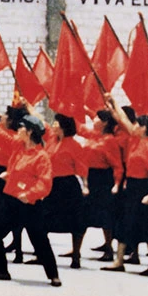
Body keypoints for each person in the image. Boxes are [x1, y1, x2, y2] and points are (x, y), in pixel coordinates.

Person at [0, 111, 61, 286]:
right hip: (11, 200)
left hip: (29, 204)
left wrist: (29, 194)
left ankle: (53, 275)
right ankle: (1, 271)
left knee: (39, 239)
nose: (18, 130)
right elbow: (0, 135)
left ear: (29, 132)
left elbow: (45, 183)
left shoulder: (41, 156)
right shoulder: (18, 147)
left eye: (21, 128)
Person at [101, 101, 148, 275]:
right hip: (132, 186)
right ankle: (119, 261)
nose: (134, 126)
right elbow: (123, 120)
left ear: (144, 128)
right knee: (124, 223)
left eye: (138, 124)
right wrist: (113, 104)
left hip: (144, 187)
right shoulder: (135, 140)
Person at [79, 109, 124, 263]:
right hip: (89, 177)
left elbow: (117, 165)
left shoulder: (110, 140)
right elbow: (78, 127)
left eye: (97, 118)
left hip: (103, 179)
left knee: (106, 215)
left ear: (105, 122)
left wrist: (117, 184)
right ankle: (76, 248)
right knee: (83, 214)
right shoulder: (93, 135)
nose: (94, 120)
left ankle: (109, 248)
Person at [43, 114, 88, 269]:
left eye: (56, 123)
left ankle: (76, 254)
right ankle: (42, 253)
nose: (53, 125)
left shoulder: (74, 145)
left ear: (62, 126)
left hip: (68, 185)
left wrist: (85, 185)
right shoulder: (51, 140)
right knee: (43, 219)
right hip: (52, 184)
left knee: (75, 221)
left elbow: (82, 166)